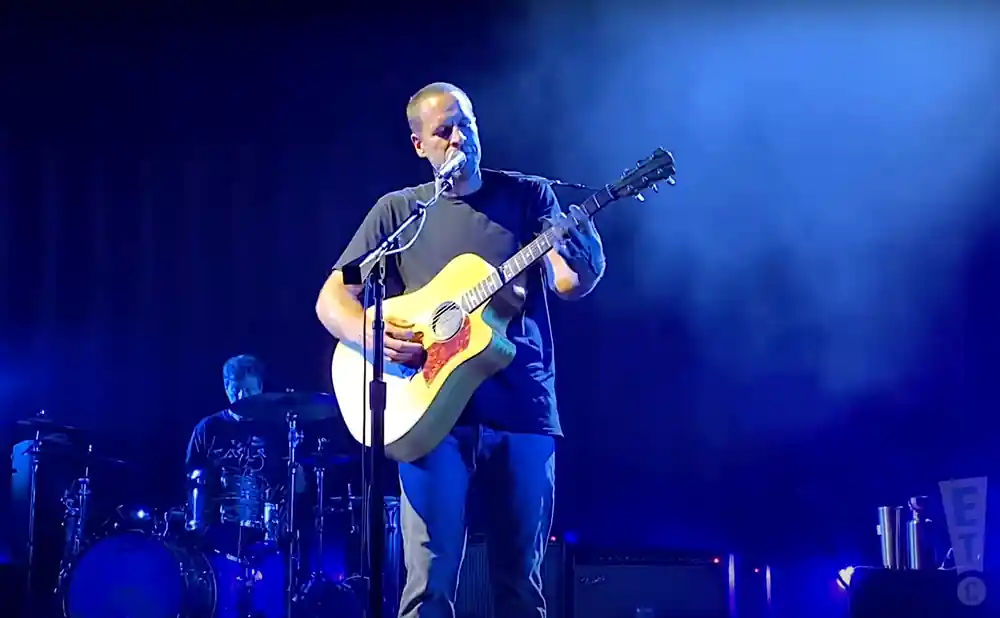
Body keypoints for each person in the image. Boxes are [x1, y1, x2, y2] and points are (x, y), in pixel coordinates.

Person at [315, 82, 606, 617]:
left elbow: (567, 283)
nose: (457, 139)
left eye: (464, 125)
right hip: (427, 415)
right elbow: (332, 299)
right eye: (443, 130)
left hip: (522, 410)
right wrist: (369, 334)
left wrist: (584, 244)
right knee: (428, 588)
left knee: (520, 585)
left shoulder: (528, 195)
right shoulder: (397, 212)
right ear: (419, 144)